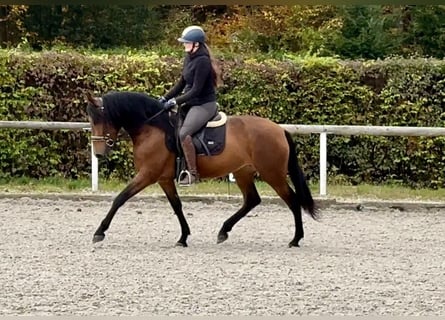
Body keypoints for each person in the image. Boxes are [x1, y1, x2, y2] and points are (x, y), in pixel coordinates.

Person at [159, 25, 222, 186]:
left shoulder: (203, 62)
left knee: (184, 133)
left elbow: (195, 90)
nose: (184, 45)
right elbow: (181, 84)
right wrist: (164, 98)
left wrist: (175, 101)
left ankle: (193, 173)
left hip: (204, 104)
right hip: (191, 103)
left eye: (187, 42)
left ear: (196, 44)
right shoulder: (189, 58)